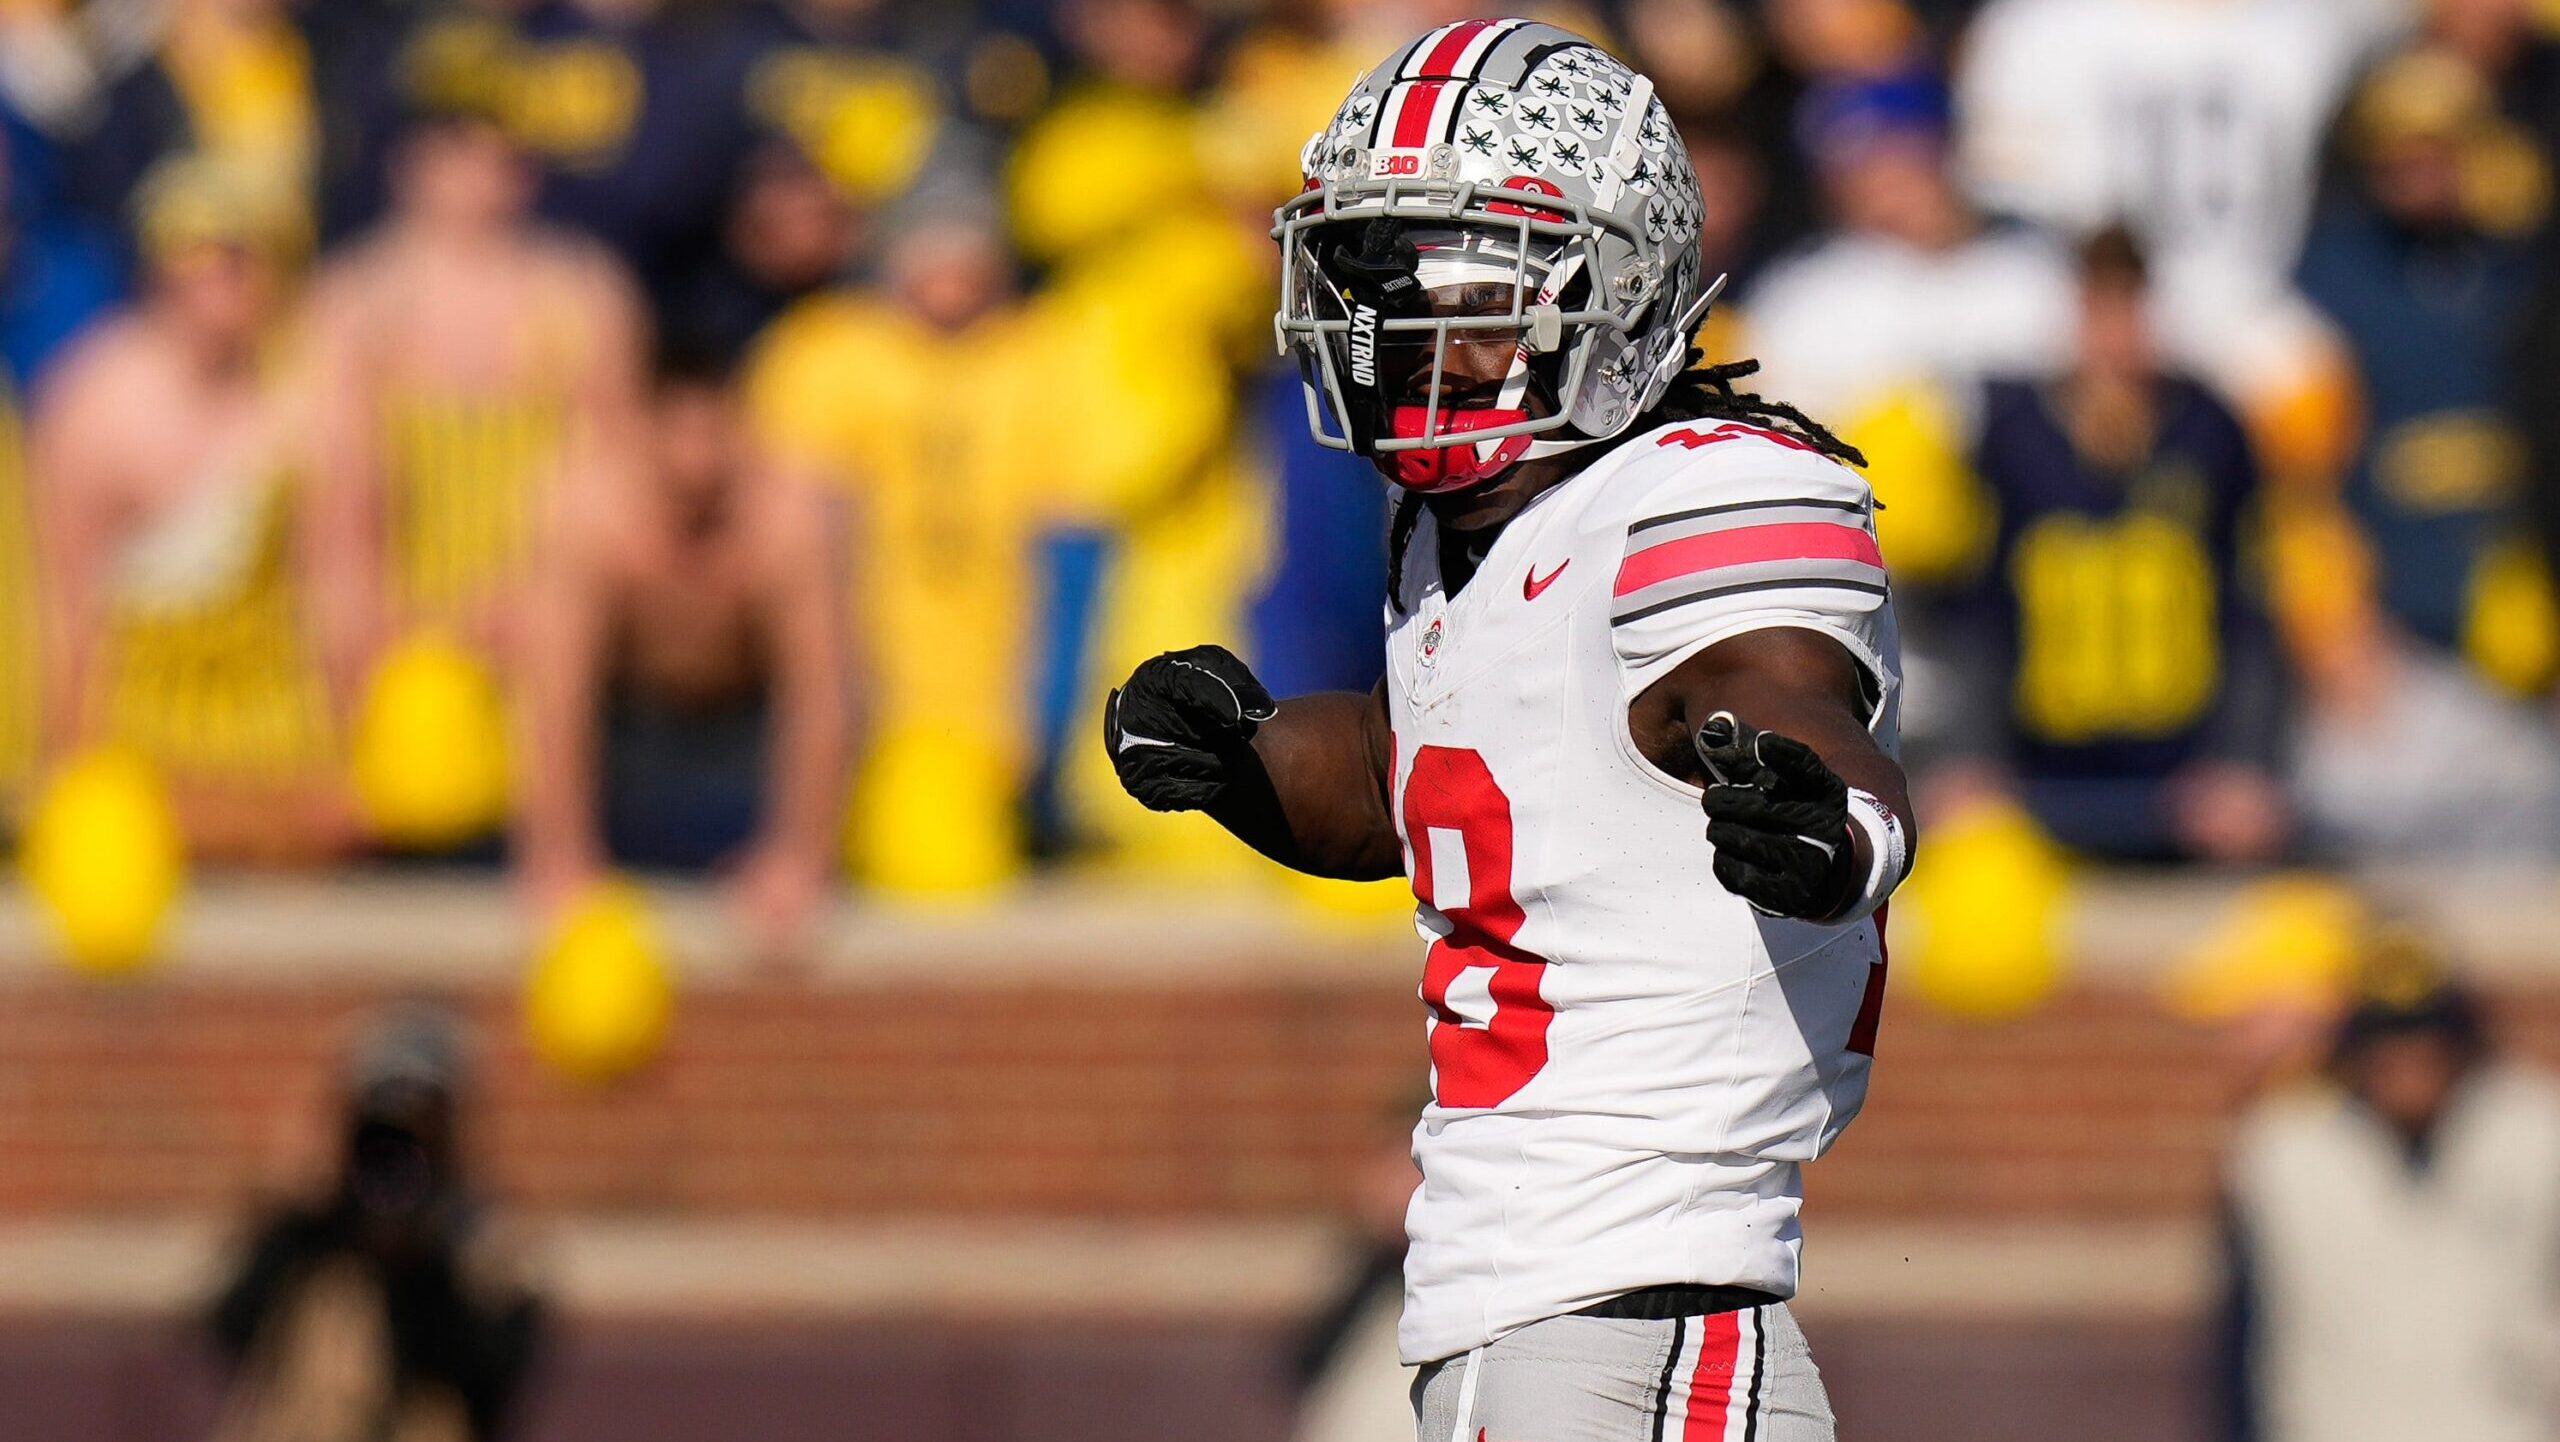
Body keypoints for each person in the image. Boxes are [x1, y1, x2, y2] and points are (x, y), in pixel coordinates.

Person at [1106, 22, 1911, 1439]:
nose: (1394, 318)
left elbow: (1783, 696)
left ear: (1608, 282)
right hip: (1520, 1295)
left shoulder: (1708, 488)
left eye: (1451, 277)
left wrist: (1829, 821)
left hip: (1639, 1298)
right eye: (1377, 271)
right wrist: (1244, 759)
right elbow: (1390, 777)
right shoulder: (1453, 531)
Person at [30, 154, 344, 861]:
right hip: (142, 732)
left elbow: (342, 593)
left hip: (275, 736)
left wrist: (347, 763)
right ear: (159, 266)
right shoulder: (96, 403)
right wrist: (79, 772)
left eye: (243, 256)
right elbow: (67, 612)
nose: (220, 279)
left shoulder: (314, 397)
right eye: (200, 254)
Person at [1944, 227, 2289, 865]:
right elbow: (1978, 613)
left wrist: (2244, 761)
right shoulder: (2011, 434)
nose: (2113, 332)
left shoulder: (2211, 428)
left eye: (2128, 303)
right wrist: (1975, 758)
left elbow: (2250, 610)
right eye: (2097, 305)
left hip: (2188, 786)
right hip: (2037, 779)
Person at [303, 97, 644, 700]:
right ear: (412, 166)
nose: (479, 178)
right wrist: (391, 620)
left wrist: (545, 594)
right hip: (406, 614)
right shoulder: (356, 304)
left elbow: (614, 471)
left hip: (550, 603)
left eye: (499, 158)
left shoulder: (583, 295)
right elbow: (341, 502)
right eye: (457, 155)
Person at [515, 346, 849, 955]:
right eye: (677, 442)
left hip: (742, 735)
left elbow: (820, 696)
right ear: (638, 432)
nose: (695, 466)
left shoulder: (789, 514)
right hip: (631, 734)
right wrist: (560, 859)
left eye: (712, 440)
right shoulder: (584, 507)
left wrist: (799, 858)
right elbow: (557, 695)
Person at [2216, 931, 2560, 1442]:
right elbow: (2244, 1333)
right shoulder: (2286, 1152)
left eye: (2427, 1050)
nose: (2408, 1073)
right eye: (2389, 1053)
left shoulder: (2535, 1134)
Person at [207, 1008, 544, 1442]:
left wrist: (425, 1259)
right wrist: (295, 1209)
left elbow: (496, 1369)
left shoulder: (481, 1246)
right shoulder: (315, 1232)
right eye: (384, 1131)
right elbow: (228, 1327)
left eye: (422, 1128)